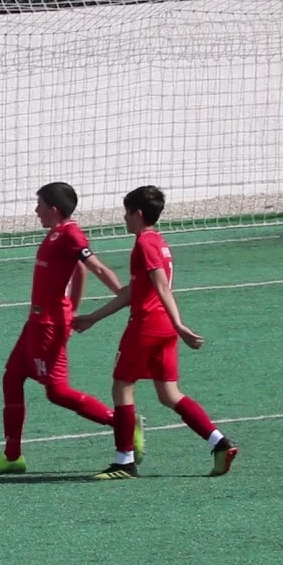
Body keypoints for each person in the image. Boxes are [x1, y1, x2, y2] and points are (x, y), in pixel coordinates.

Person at [72, 186, 238, 479]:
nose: (124, 218)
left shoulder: (145, 244)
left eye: (126, 212)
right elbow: (134, 291)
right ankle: (220, 443)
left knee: (122, 385)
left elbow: (161, 286)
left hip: (147, 326)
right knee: (169, 394)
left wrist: (180, 324)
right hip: (162, 329)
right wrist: (94, 318)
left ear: (137, 213)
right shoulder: (158, 242)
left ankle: (124, 461)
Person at [0, 181, 139, 475]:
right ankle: (13, 456)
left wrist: (123, 295)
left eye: (39, 205)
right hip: (36, 323)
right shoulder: (56, 234)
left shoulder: (71, 234)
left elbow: (96, 267)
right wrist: (74, 308)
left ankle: (122, 423)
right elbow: (77, 271)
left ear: (53, 209)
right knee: (12, 377)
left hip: (49, 326)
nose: (35, 210)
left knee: (57, 392)